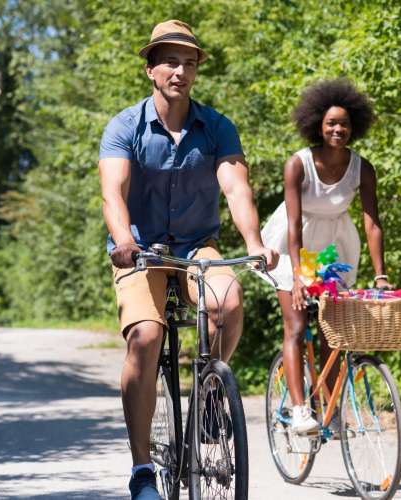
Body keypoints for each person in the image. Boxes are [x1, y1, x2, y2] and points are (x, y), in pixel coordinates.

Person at [98, 20, 278, 500]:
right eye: (171, 61)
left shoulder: (216, 127)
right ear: (151, 68)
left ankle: (206, 400)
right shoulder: (124, 127)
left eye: (190, 62)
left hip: (198, 244)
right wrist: (122, 240)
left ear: (197, 70)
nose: (181, 70)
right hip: (140, 248)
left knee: (228, 301)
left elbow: (236, 187)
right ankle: (141, 471)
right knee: (147, 335)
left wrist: (254, 241)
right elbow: (112, 194)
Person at [261, 79, 392, 434]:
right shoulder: (298, 164)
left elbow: (372, 222)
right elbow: (293, 224)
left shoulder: (361, 168)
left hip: (334, 249)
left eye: (345, 124)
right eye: (332, 123)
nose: (338, 129)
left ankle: (330, 410)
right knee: (297, 325)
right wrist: (300, 276)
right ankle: (300, 409)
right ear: (318, 124)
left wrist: (381, 274)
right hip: (294, 247)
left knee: (330, 334)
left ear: (355, 127)